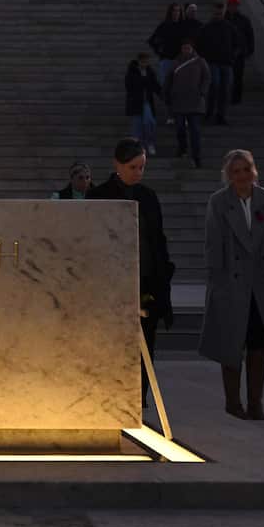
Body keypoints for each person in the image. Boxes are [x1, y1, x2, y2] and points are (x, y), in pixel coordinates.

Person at [198, 149, 264, 420]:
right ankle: (233, 402)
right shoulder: (219, 202)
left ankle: (256, 404)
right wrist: (217, 281)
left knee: (259, 344)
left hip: (260, 283)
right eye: (236, 171)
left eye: (246, 170)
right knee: (232, 342)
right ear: (228, 175)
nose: (242, 176)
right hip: (231, 283)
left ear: (254, 171)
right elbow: (213, 243)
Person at [89, 138, 174, 400]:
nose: (138, 172)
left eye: (141, 167)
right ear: (118, 165)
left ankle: (139, 397)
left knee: (145, 342)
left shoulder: (147, 196)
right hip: (111, 283)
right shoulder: (99, 196)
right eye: (133, 167)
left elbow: (157, 238)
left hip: (145, 280)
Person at [164, 40, 210, 168]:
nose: (186, 50)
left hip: (195, 101)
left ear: (192, 49)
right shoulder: (175, 62)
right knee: (180, 128)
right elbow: (168, 79)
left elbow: (207, 77)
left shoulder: (200, 61)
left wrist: (202, 91)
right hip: (179, 101)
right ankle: (182, 148)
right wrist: (167, 94)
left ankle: (197, 156)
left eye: (188, 48)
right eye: (184, 48)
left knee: (195, 131)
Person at [196, 2, 240, 126]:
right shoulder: (206, 28)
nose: (218, 15)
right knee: (214, 86)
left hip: (226, 63)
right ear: (212, 13)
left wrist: (232, 56)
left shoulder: (229, 27)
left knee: (225, 90)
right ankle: (209, 112)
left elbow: (237, 44)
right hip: (212, 62)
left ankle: (221, 115)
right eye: (216, 13)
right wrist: (204, 58)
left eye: (220, 14)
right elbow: (198, 45)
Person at [148, 3, 184, 120]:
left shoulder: (182, 26)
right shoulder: (164, 25)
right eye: (174, 11)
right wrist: (159, 52)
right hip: (166, 61)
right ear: (170, 12)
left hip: (179, 61)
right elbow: (152, 40)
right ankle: (170, 115)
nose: (176, 13)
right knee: (167, 89)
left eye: (178, 11)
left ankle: (179, 114)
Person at [125, 53, 161, 155]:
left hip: (147, 103)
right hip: (136, 103)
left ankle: (149, 144)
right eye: (142, 61)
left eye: (146, 61)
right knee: (137, 127)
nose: (144, 63)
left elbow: (155, 85)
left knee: (150, 124)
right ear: (138, 61)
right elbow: (129, 86)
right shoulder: (132, 72)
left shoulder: (150, 72)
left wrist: (163, 95)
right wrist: (143, 78)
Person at [225, 0, 255, 106]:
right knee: (227, 78)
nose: (233, 7)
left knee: (238, 77)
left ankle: (236, 100)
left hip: (239, 54)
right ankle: (227, 98)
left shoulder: (244, 20)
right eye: (231, 5)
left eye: (235, 5)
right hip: (226, 54)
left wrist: (249, 50)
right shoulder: (224, 19)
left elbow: (249, 35)